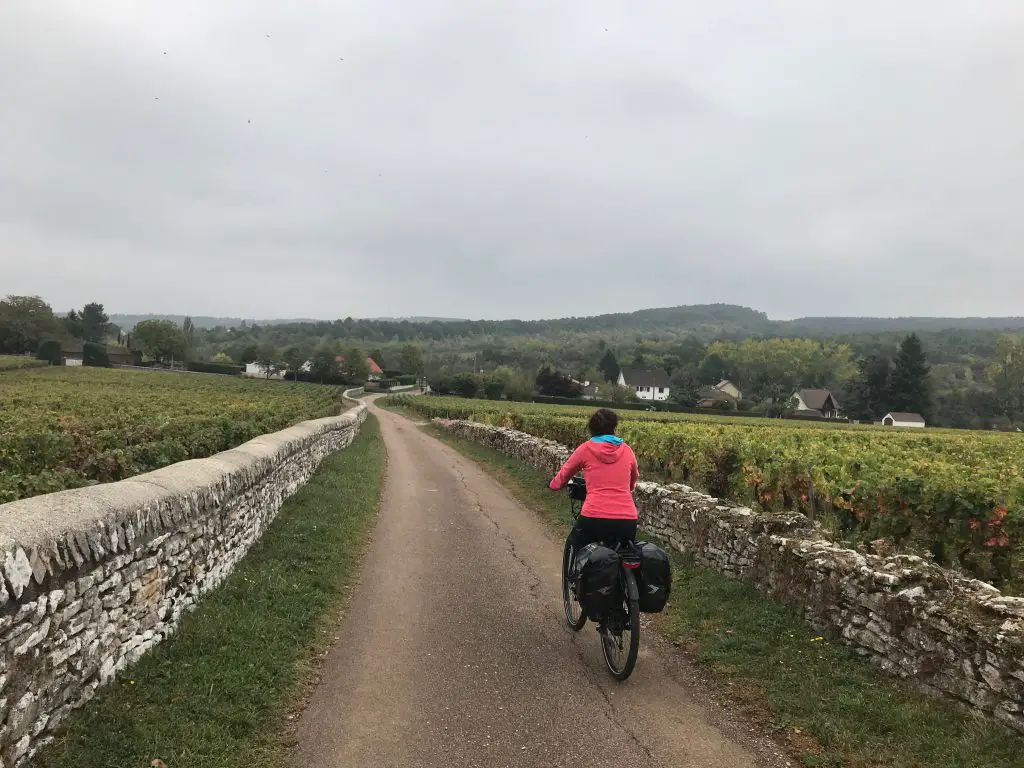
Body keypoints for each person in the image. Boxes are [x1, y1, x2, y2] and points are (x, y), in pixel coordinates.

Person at [549, 408, 639, 550]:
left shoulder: (585, 449)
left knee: (573, 544)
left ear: (591, 429)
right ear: (614, 428)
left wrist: (553, 485)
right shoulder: (627, 450)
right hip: (627, 518)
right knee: (627, 554)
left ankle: (572, 573)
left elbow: (564, 475)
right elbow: (633, 481)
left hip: (594, 516)